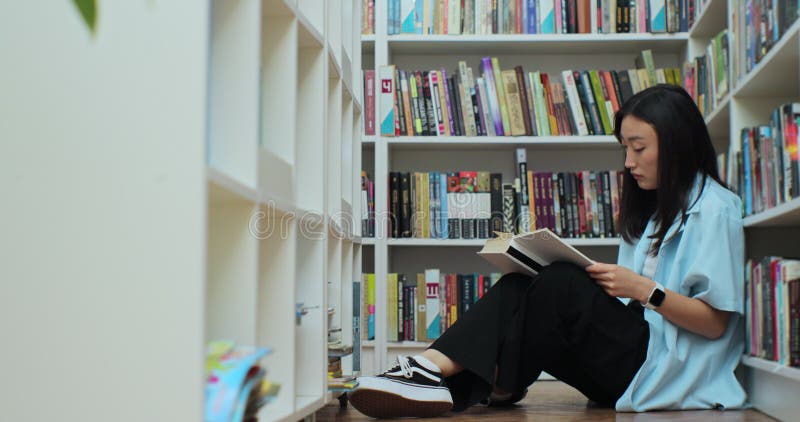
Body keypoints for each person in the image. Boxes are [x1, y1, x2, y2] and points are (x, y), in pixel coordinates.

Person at [348, 84, 747, 418]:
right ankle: (440, 376)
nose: (628, 162)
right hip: (625, 368)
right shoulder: (655, 210)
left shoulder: (715, 210)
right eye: (625, 147)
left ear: (676, 144)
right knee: (522, 282)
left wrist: (644, 289)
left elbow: (715, 324)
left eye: (639, 148)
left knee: (560, 284)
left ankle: (454, 379)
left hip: (662, 372)